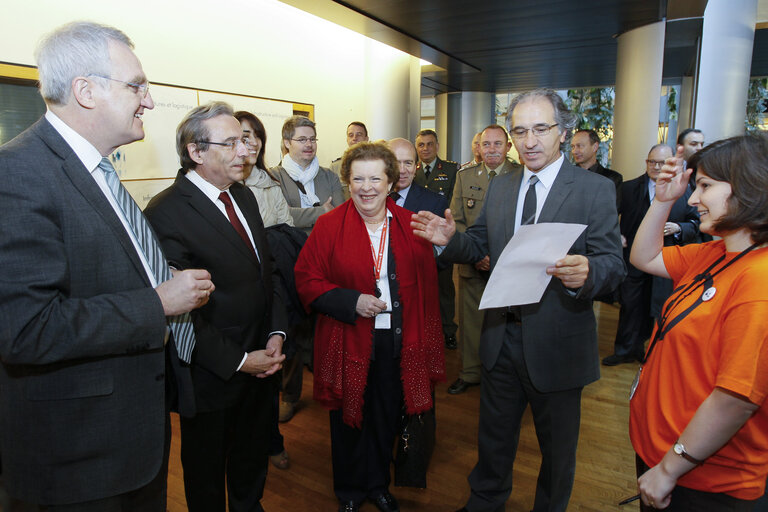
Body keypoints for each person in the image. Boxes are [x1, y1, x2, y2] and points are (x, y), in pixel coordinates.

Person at [0, 21, 211, 510]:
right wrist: (156, 303)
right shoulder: (18, 173)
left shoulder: (98, 168)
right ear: (86, 91)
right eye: (137, 85)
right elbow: (26, 329)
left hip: (130, 441)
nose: (150, 101)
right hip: (78, 460)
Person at [412, 88, 625, 512]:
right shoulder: (503, 186)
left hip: (558, 344)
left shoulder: (593, 189)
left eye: (541, 129)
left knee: (557, 452)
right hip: (500, 337)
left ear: (562, 132)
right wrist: (449, 242)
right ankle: (484, 503)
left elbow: (613, 265)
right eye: (520, 130)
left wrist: (589, 272)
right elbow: (480, 246)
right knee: (493, 440)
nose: (530, 141)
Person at [144, 102, 287, 512]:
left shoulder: (242, 196)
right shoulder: (166, 212)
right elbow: (181, 313)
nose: (246, 151)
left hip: (264, 362)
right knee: (206, 475)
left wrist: (276, 333)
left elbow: (268, 273)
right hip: (213, 375)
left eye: (245, 141)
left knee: (250, 461)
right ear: (196, 152)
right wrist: (242, 360)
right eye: (232, 143)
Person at [295, 142, 445, 512]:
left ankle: (378, 484)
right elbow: (306, 279)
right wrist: (351, 301)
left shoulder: (412, 225)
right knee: (347, 420)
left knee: (385, 416)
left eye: (375, 178)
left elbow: (427, 285)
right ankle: (348, 491)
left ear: (391, 181)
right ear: (347, 181)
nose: (366, 187)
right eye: (358, 178)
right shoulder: (328, 225)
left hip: (397, 340)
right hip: (347, 338)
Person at [629, 134, 768, 511]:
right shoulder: (715, 252)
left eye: (705, 186)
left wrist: (670, 469)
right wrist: (662, 201)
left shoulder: (759, 282)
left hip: (706, 478)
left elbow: (733, 401)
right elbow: (644, 257)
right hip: (667, 453)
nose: (693, 199)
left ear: (749, 188)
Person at [272, 114, 345, 422]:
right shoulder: (273, 176)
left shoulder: (328, 175)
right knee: (290, 328)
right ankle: (289, 395)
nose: (309, 145)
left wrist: (308, 215)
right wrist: (317, 212)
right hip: (289, 261)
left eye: (312, 139)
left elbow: (340, 212)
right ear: (287, 143)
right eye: (302, 139)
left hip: (325, 260)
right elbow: (278, 216)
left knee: (323, 326)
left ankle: (326, 384)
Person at [602, 144, 699, 366]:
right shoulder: (627, 188)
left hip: (666, 261)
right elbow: (606, 217)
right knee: (630, 305)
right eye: (651, 162)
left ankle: (652, 352)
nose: (655, 167)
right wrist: (615, 235)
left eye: (661, 163)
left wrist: (679, 228)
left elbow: (697, 224)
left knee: (659, 308)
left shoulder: (684, 192)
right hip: (633, 261)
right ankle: (625, 349)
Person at [447, 124, 522, 395]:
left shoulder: (520, 175)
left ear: (508, 147)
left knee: (505, 323)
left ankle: (502, 375)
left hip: (509, 268)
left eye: (497, 144)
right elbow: (457, 220)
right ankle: (470, 373)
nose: (491, 150)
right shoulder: (465, 176)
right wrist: (477, 255)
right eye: (486, 144)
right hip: (473, 264)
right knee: (470, 322)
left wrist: (498, 258)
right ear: (478, 147)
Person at [414, 128, 459, 349]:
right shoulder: (411, 170)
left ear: (437, 146)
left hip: (441, 238)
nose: (425, 149)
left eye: (429, 144)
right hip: (417, 236)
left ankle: (448, 330)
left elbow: (453, 205)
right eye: (421, 145)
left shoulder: (451, 169)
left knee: (444, 288)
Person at [235, 110, 293, 227]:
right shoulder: (224, 187)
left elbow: (288, 230)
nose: (255, 143)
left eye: (258, 136)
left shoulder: (271, 186)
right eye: (245, 137)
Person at [388, 137, 448, 217]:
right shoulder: (372, 198)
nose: (402, 170)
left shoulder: (435, 203)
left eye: (408, 163)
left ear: (416, 167)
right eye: (396, 163)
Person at [571, 128, 622, 209]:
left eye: (579, 146)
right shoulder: (567, 175)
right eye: (573, 147)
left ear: (595, 147)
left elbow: (612, 210)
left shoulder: (612, 178)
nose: (574, 151)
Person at [330, 121, 369, 199]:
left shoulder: (375, 164)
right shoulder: (335, 167)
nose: (354, 138)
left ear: (366, 139)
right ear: (347, 139)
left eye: (359, 134)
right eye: (351, 135)